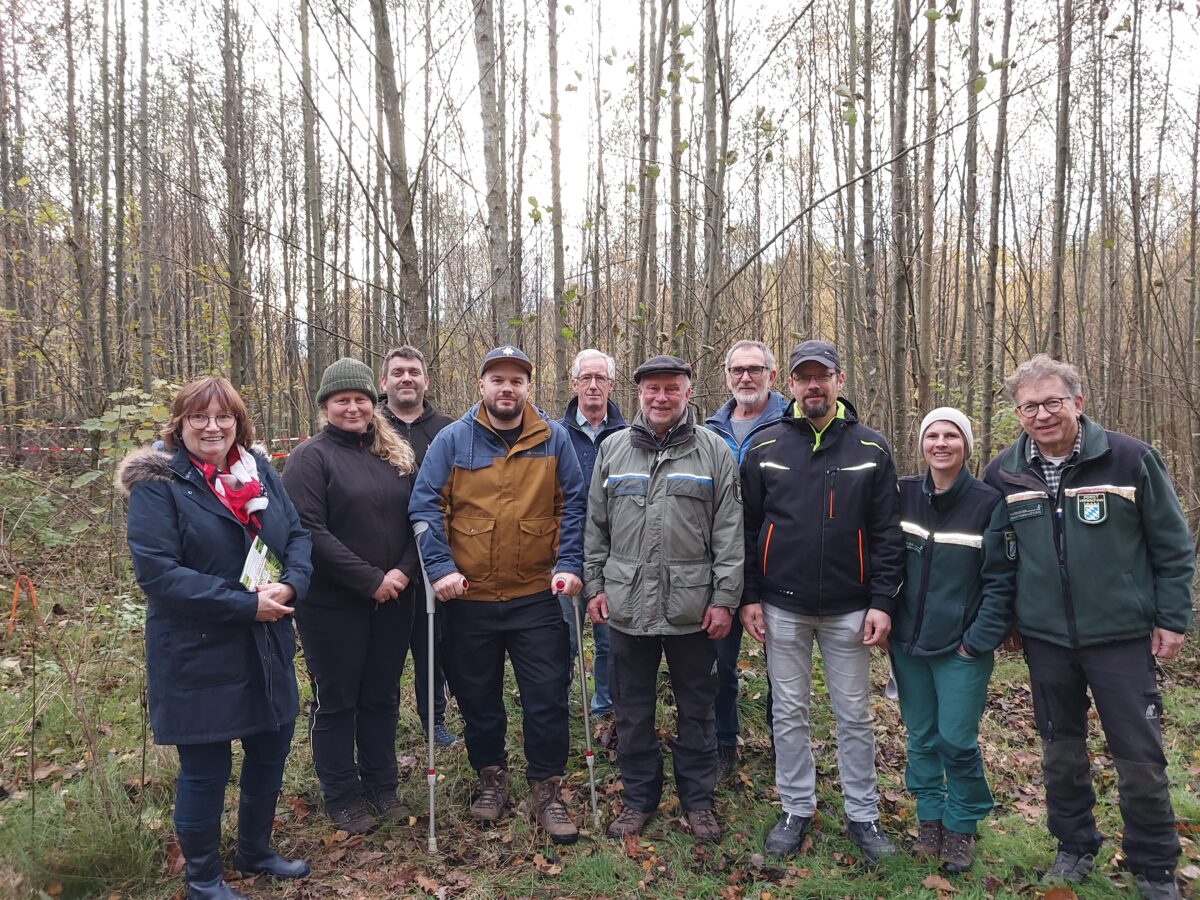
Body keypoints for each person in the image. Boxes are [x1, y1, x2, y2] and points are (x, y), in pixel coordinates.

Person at [984, 355, 1193, 900]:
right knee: (1061, 751)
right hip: (1046, 639)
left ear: (1077, 402)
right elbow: (1000, 560)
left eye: (1053, 402)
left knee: (1139, 758)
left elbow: (1171, 547)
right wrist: (1007, 619)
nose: (1043, 414)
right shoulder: (1004, 472)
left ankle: (1153, 866)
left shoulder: (1130, 460)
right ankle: (1074, 845)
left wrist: (1172, 617)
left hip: (1122, 636)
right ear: (1017, 413)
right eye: (1030, 406)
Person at [120, 376, 312, 900]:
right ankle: (203, 878)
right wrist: (246, 604)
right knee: (206, 769)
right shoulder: (158, 484)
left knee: (269, 751)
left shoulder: (258, 471)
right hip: (197, 648)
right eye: (199, 417)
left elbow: (296, 536)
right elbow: (159, 574)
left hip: (267, 641)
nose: (212, 426)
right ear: (179, 424)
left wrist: (291, 584)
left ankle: (255, 850)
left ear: (237, 422)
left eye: (223, 416)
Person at [410, 345, 587, 844]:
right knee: (478, 697)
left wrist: (571, 564)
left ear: (528, 387)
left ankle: (547, 788)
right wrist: (440, 568)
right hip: (469, 598)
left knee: (547, 697)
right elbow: (424, 505)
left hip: (536, 594)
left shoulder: (554, 440)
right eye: (497, 380)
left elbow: (573, 505)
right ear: (481, 385)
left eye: (517, 380)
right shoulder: (451, 440)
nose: (507, 388)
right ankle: (491, 776)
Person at [740, 339, 903, 864]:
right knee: (788, 713)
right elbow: (746, 529)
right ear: (788, 384)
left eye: (822, 376)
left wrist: (882, 600)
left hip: (850, 608)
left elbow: (886, 533)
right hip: (781, 605)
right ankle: (795, 808)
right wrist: (748, 596)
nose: (813, 385)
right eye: (803, 377)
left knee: (853, 714)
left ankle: (864, 814)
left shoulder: (871, 448)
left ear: (838, 379)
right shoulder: (766, 447)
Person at [584, 354, 744, 844]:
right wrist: (594, 585)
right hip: (627, 607)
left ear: (687, 393)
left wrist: (724, 599)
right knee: (632, 710)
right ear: (638, 394)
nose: (661, 397)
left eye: (671, 388)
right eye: (652, 389)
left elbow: (730, 532)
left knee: (698, 709)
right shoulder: (613, 450)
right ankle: (638, 799)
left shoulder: (714, 451)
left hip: (693, 611)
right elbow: (595, 527)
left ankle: (698, 800)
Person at [282, 358, 421, 835]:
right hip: (332, 605)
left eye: (360, 398)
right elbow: (308, 531)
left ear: (372, 401)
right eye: (342, 400)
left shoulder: (394, 455)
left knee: (381, 698)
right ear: (325, 406)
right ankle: (342, 796)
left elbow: (415, 521)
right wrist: (370, 580)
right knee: (338, 700)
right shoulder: (310, 458)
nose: (353, 407)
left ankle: (383, 787)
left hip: (394, 600)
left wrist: (401, 573)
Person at [893, 408, 1015, 873]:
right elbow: (886, 560)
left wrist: (977, 641)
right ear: (921, 443)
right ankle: (930, 820)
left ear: (966, 445)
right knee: (921, 736)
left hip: (961, 647)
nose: (941, 444)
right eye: (932, 435)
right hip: (907, 643)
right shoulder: (902, 494)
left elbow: (1001, 581)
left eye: (951, 436)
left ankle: (962, 824)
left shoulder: (987, 503)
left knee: (956, 741)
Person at [703, 339, 787, 780]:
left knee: (782, 666)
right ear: (727, 376)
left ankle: (783, 744)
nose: (746, 378)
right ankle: (722, 742)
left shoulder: (790, 426)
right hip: (716, 566)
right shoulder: (708, 429)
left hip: (777, 564)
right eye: (737, 370)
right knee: (718, 661)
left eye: (755, 369)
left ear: (771, 375)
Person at [377, 345, 458, 749]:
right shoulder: (367, 427)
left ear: (425, 380)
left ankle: (435, 722)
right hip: (382, 565)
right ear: (385, 381)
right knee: (384, 655)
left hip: (436, 561)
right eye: (397, 372)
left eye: (413, 371)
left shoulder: (448, 430)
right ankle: (382, 724)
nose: (406, 378)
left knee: (433, 649)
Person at [559, 348, 627, 718]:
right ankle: (560, 705)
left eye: (601, 378)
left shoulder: (630, 434)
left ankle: (604, 707)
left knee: (609, 639)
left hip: (614, 556)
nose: (593, 385)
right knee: (563, 639)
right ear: (574, 384)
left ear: (612, 385)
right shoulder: (555, 434)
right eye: (586, 378)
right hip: (564, 553)